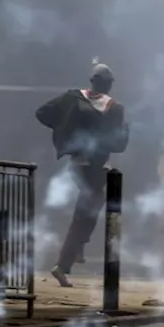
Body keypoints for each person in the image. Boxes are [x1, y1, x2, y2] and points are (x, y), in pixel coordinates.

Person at [36, 63, 130, 288]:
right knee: (86, 211)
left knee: (90, 206)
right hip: (95, 167)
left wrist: (66, 130)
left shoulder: (72, 98)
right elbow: (119, 144)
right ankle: (66, 260)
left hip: (76, 164)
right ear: (108, 84)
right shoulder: (114, 108)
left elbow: (42, 113)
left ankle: (77, 249)